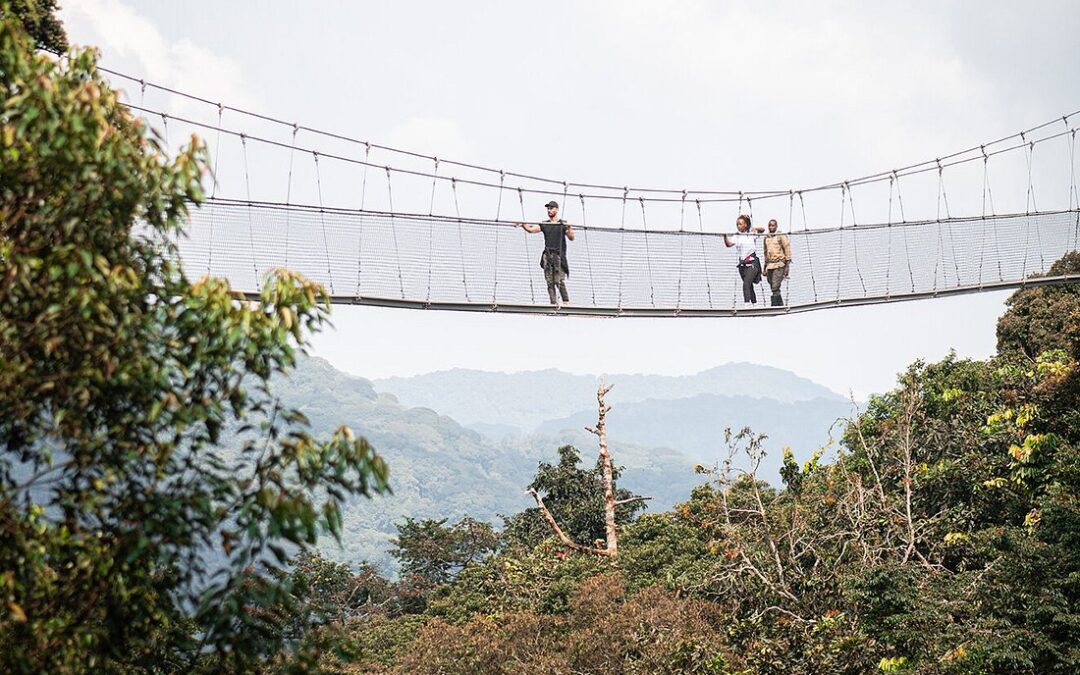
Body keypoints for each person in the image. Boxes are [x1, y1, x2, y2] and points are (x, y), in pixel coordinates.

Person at [517, 201, 575, 306]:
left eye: (551, 208)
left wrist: (569, 228)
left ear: (557, 209)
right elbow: (531, 230)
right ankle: (553, 303)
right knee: (550, 282)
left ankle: (566, 302)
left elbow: (571, 237)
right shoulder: (545, 224)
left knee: (559, 280)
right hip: (547, 256)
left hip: (558, 256)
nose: (549, 210)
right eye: (548, 208)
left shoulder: (562, 224)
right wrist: (523, 225)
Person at [723, 214, 765, 304]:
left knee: (746, 283)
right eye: (737, 224)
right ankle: (754, 304)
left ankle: (747, 304)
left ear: (745, 225)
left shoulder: (751, 233)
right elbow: (729, 244)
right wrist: (724, 237)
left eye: (740, 224)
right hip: (743, 265)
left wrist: (754, 227)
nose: (738, 226)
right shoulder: (737, 236)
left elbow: (762, 230)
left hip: (752, 262)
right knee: (749, 286)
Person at [762, 218, 792, 306]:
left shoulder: (780, 236)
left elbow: (787, 248)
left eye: (773, 225)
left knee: (775, 286)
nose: (771, 227)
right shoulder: (766, 237)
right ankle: (780, 305)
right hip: (770, 264)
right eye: (770, 225)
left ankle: (774, 305)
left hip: (779, 264)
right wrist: (765, 267)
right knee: (772, 285)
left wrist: (787, 266)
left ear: (776, 226)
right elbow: (765, 252)